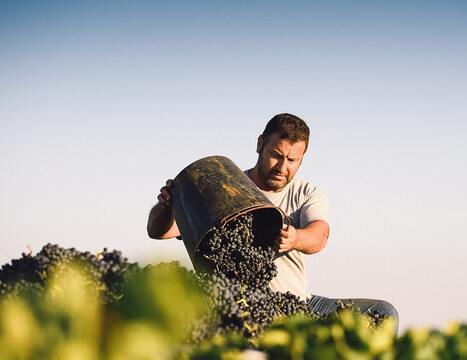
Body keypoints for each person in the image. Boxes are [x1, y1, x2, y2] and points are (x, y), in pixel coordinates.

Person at [147, 113, 398, 333]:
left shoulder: (307, 194)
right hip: (241, 307)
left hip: (297, 303)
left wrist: (296, 238)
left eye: (292, 160)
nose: (282, 167)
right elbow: (159, 231)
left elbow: (319, 235)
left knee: (383, 313)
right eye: (276, 155)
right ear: (260, 145)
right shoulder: (224, 189)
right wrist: (166, 207)